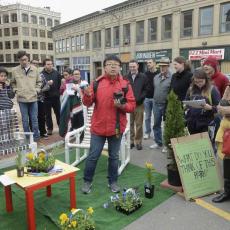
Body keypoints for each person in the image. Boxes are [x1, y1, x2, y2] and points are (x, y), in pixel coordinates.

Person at [81, 55, 135, 194]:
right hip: (98, 127)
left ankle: (113, 182)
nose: (112, 66)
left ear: (119, 67)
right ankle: (87, 181)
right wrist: (87, 94)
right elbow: (88, 103)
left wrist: (122, 105)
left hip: (116, 127)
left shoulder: (125, 85)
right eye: (110, 64)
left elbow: (132, 106)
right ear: (104, 67)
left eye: (115, 64)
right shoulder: (96, 83)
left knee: (114, 156)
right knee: (93, 155)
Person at [11, 50, 41, 141]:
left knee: (34, 120)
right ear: (19, 60)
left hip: (33, 98)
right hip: (22, 99)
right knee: (24, 121)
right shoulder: (14, 70)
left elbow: (39, 82)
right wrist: (16, 91)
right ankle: (28, 139)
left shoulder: (35, 69)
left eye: (25, 59)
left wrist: (36, 90)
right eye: (21, 60)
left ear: (28, 59)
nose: (24, 61)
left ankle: (36, 138)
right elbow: (13, 83)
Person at [185, 68, 220, 135]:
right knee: (196, 144)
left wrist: (210, 108)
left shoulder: (212, 90)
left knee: (207, 144)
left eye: (201, 81)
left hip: (207, 123)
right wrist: (187, 106)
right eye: (196, 82)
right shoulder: (191, 89)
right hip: (192, 123)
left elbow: (219, 108)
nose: (198, 84)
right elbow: (186, 102)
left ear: (206, 80)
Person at [212, 85, 230, 203]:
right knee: (228, 165)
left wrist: (226, 109)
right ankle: (227, 192)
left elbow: (224, 109)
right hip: (227, 136)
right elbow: (220, 107)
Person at [150, 57, 172, 149]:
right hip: (156, 103)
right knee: (156, 124)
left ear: (168, 66)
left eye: (164, 66)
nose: (162, 68)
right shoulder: (156, 77)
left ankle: (167, 144)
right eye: (161, 66)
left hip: (166, 105)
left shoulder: (172, 78)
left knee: (167, 125)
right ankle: (158, 142)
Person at [126, 60, 147, 150]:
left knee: (139, 124)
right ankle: (131, 141)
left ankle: (138, 141)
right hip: (128, 105)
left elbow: (146, 89)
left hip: (139, 104)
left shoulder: (143, 77)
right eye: (130, 67)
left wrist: (140, 99)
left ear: (137, 66)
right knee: (130, 124)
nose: (132, 68)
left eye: (134, 66)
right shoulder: (126, 77)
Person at [59, 68, 84, 137]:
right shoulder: (69, 84)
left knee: (81, 123)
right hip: (71, 107)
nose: (76, 75)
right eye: (74, 74)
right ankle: (72, 137)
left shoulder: (84, 83)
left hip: (82, 107)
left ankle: (82, 138)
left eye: (77, 74)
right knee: (72, 122)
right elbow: (64, 95)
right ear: (72, 75)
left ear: (80, 75)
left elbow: (87, 95)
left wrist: (78, 90)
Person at [41, 59, 61, 135]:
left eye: (51, 64)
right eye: (48, 64)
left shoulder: (57, 73)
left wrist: (57, 93)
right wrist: (47, 84)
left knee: (58, 113)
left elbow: (59, 85)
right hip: (46, 98)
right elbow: (40, 86)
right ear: (44, 65)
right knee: (47, 115)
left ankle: (60, 127)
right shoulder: (41, 74)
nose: (50, 65)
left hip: (56, 97)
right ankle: (50, 129)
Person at [143, 58, 159, 140]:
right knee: (147, 117)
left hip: (156, 99)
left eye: (150, 62)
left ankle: (157, 135)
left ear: (154, 63)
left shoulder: (159, 74)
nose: (148, 64)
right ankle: (147, 133)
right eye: (147, 63)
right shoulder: (145, 74)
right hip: (147, 99)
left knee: (157, 118)